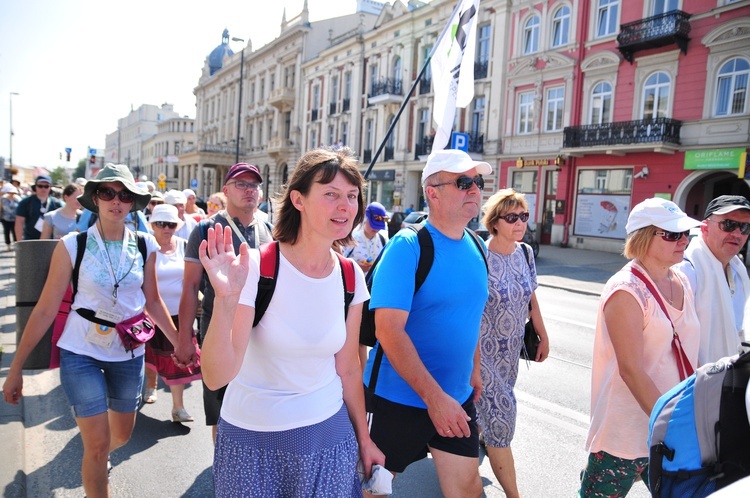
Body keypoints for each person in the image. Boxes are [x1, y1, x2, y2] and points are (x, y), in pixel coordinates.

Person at [198, 147, 384, 496]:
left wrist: (365, 439)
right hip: (250, 442)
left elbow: (347, 368)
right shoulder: (254, 266)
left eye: (352, 195)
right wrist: (225, 300)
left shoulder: (349, 277)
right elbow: (215, 376)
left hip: (329, 437)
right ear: (298, 199)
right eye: (330, 194)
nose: (345, 206)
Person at [2, 163, 178, 498]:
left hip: (128, 351)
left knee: (121, 436)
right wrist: (15, 369)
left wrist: (182, 343)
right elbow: (45, 309)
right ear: (95, 198)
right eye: (108, 192)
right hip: (80, 349)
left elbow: (153, 302)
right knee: (96, 444)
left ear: (133, 202)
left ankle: (97, 459)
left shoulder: (145, 245)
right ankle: (96, 467)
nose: (116, 200)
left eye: (124, 194)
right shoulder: (72, 244)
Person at [362, 149, 492, 498]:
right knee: (370, 491)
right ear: (432, 192)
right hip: (396, 400)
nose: (475, 190)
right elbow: (388, 330)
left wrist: (474, 369)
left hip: (455, 397)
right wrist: (434, 398)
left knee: (467, 489)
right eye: (463, 183)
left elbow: (471, 316)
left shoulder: (478, 246)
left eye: (477, 182)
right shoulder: (408, 246)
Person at [579, 197, 702, 496]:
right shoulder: (626, 290)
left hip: (669, 430)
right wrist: (670, 425)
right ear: (644, 237)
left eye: (686, 232)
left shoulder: (682, 279)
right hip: (626, 433)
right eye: (672, 234)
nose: (683, 240)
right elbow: (631, 370)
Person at [175, 162, 273, 441]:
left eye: (254, 185)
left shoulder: (270, 229)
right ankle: (224, 468)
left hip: (262, 329)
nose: (249, 190)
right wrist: (184, 338)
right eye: (241, 184)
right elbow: (191, 285)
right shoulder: (206, 228)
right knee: (222, 404)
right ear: (225, 191)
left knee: (258, 402)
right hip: (220, 326)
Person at [477, 189, 549, 498]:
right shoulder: (479, 255)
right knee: (502, 417)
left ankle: (467, 439)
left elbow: (531, 296)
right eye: (512, 217)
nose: (520, 223)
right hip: (481, 351)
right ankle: (513, 494)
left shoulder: (525, 253)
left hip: (511, 352)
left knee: (485, 414)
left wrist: (543, 335)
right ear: (494, 222)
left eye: (523, 216)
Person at [143, 204, 202, 422]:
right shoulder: (145, 247)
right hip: (150, 316)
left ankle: (178, 408)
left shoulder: (185, 246)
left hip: (180, 315)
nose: (166, 229)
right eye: (161, 224)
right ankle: (151, 385)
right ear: (153, 225)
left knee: (178, 360)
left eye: (171, 224)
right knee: (151, 357)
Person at [677, 195, 750, 365]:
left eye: (745, 227)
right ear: (705, 227)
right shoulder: (686, 271)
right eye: (729, 224)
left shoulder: (739, 270)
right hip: (696, 379)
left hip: (732, 374)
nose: (737, 233)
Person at [15, 174, 64, 240]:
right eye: (40, 186)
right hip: (30, 240)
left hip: (50, 241)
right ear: (35, 187)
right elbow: (19, 222)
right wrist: (19, 242)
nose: (43, 188)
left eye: (46, 186)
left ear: (50, 188)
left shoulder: (57, 203)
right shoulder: (26, 202)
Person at [1, 184, 21, 250]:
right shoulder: (3, 199)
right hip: (5, 218)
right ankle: (8, 245)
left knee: (14, 232)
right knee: (6, 231)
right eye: (10, 193)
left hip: (15, 219)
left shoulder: (18, 199)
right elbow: (1, 208)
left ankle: (15, 245)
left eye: (13, 193)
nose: (12, 194)